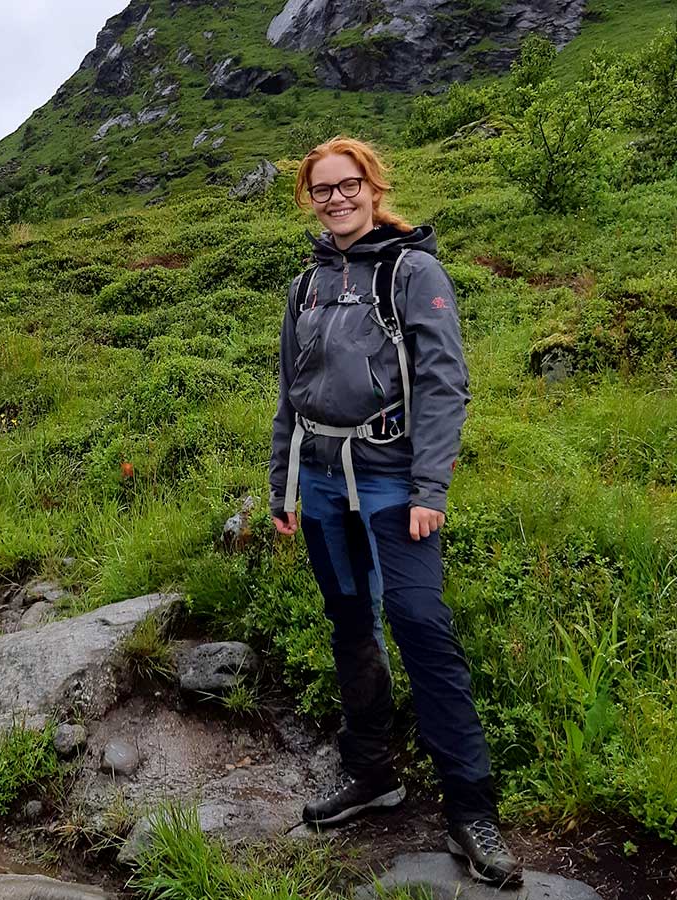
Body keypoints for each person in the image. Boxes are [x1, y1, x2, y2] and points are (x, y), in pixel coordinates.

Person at [268, 137, 522, 887]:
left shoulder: (413, 272)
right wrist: (281, 484)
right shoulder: (305, 285)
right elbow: (290, 389)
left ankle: (471, 810)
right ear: (308, 200)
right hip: (318, 483)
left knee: (420, 627)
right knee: (351, 623)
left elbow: (446, 384)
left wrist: (429, 490)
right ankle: (372, 771)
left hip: (391, 483)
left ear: (374, 188)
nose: (336, 199)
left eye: (348, 186)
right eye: (322, 190)